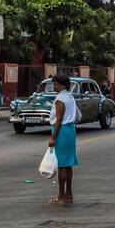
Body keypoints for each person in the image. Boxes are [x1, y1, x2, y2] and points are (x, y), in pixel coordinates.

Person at [47, 74, 79, 205]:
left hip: (62, 131)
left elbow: (59, 119)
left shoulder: (60, 98)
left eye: (56, 84)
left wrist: (53, 137)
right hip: (70, 130)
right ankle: (69, 194)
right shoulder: (70, 97)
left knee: (62, 165)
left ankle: (61, 196)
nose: (54, 86)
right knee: (68, 164)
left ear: (63, 85)